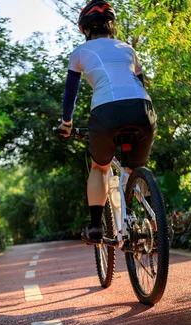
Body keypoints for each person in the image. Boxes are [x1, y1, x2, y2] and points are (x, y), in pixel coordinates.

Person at [56, 0, 157, 244]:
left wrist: (66, 124)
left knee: (99, 167)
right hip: (143, 110)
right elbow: (140, 84)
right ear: (111, 26)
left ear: (85, 30)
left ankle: (94, 226)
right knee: (135, 170)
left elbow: (71, 93)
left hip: (106, 111)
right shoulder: (128, 49)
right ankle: (154, 224)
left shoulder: (80, 52)